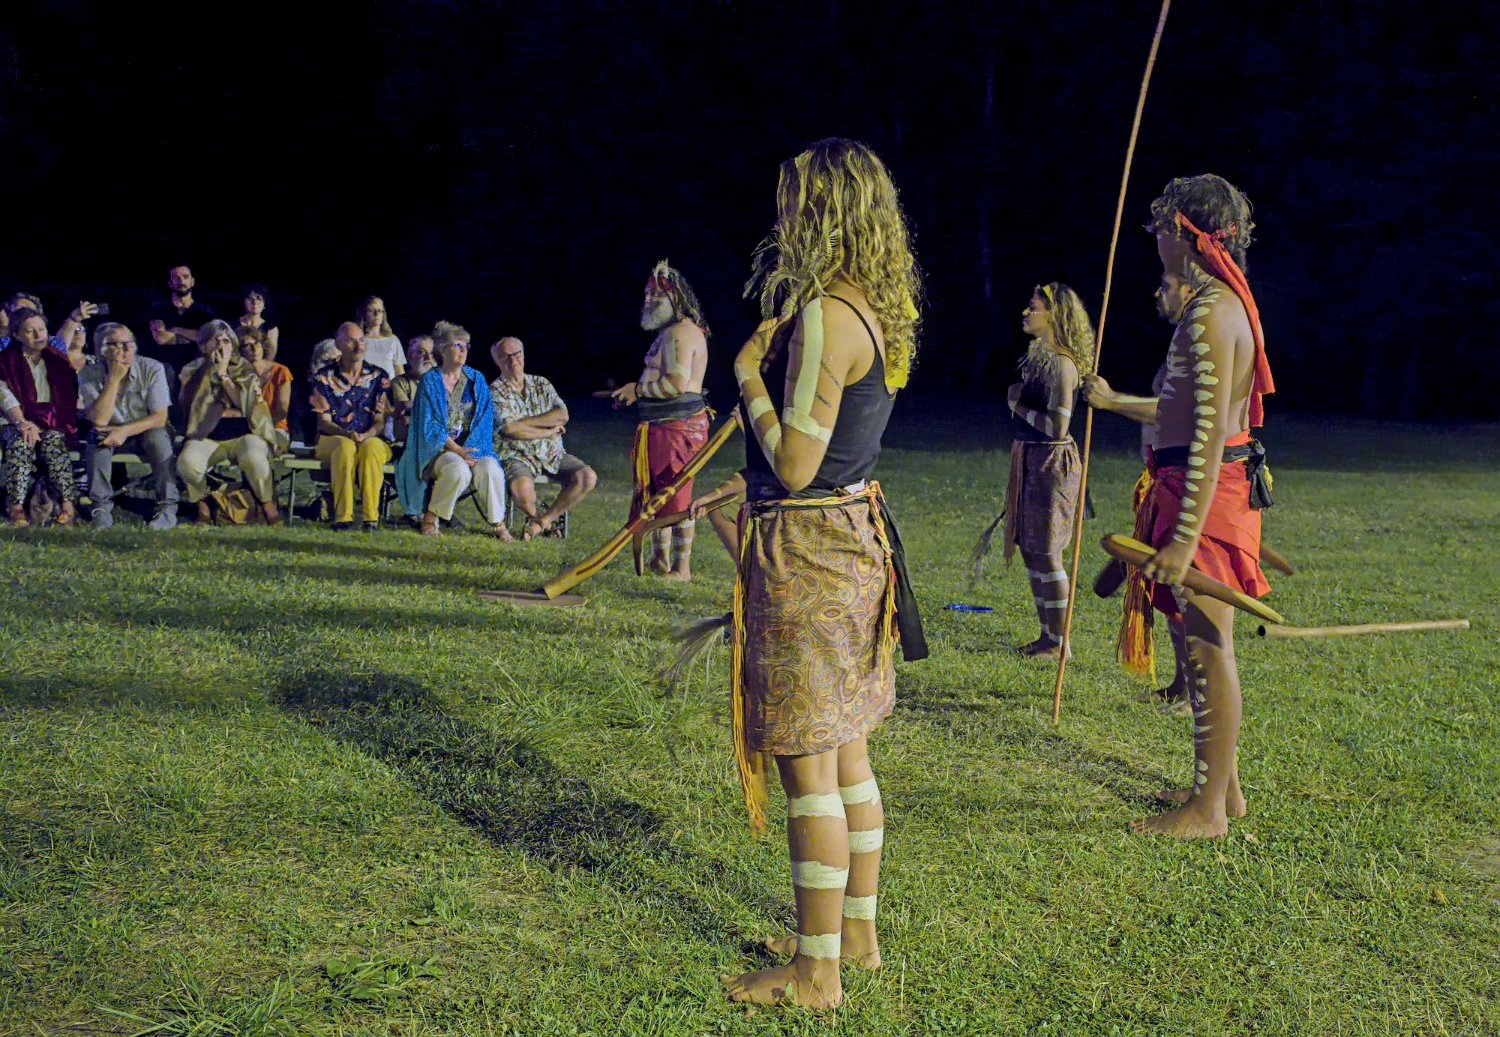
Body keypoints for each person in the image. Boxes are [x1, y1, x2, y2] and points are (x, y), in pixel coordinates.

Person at [721, 138, 927, 1010]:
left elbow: (800, 462)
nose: (780, 217)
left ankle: (816, 973)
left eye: (792, 201)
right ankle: (856, 934)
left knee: (809, 760)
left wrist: (745, 379)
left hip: (809, 549)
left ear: (825, 212)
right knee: (847, 750)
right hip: (852, 541)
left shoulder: (822, 317)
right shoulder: (873, 310)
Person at [1118, 174, 1276, 839]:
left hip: (1207, 495)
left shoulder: (1212, 311)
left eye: (1160, 225)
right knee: (1199, 637)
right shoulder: (1214, 304)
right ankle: (1223, 788)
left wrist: (1184, 537)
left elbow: (1210, 432)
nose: (1154, 237)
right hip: (1194, 486)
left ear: (1183, 233)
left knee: (1209, 643)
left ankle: (1208, 809)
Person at [1084, 267, 1208, 710]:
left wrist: (1113, 401)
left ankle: (1195, 689)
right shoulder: (1183, 343)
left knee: (1181, 591)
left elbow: (1177, 413)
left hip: (1184, 478)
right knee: (1168, 591)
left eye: (1167, 285)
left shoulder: (1201, 344)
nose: (1158, 293)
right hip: (1162, 477)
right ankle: (1182, 683)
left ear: (1190, 290)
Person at [1000, 283, 1095, 659]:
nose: (1025, 313)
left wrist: (1016, 406)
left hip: (1052, 465)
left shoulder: (1060, 363)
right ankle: (1047, 635)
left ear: (1054, 316)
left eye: (1033, 307)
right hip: (1033, 459)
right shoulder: (1038, 357)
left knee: (1048, 553)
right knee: (1032, 551)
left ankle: (1059, 643)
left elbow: (1059, 427)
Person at [609, 260, 710, 580]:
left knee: (674, 496)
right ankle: (660, 560)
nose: (649, 301)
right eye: (647, 295)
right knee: (657, 494)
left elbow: (676, 385)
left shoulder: (680, 334)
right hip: (663, 426)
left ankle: (682, 568)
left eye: (657, 295)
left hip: (677, 427)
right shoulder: (674, 332)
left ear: (677, 299)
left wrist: (637, 390)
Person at [394, 321, 509, 538]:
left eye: (466, 346)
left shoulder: (477, 379)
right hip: (437, 450)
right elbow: (429, 425)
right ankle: (431, 518)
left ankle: (498, 524)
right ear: (443, 349)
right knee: (458, 470)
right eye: (458, 345)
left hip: (473, 447)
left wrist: (471, 450)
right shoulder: (430, 381)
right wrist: (457, 450)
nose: (463, 350)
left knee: (490, 467)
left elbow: (484, 420)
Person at [177, 321, 283, 526]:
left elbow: (247, 406)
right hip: (206, 436)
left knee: (255, 457)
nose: (220, 344)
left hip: (243, 435)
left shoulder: (245, 368)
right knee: (187, 462)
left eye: (225, 340)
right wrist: (211, 371)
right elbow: (189, 405)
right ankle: (202, 505)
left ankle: (268, 505)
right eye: (214, 340)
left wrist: (224, 374)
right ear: (202, 345)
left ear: (232, 345)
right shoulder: (192, 369)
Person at [490, 336, 597, 539]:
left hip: (551, 452)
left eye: (516, 354)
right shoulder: (495, 391)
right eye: (505, 357)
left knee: (587, 477)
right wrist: (547, 430)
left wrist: (524, 421)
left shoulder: (541, 383)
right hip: (516, 454)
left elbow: (562, 415)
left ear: (523, 355)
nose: (513, 361)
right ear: (497, 361)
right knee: (522, 493)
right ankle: (542, 520)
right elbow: (511, 430)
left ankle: (543, 522)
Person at [78, 322, 178, 530]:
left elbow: (159, 417)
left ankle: (167, 507)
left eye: (129, 343)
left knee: (158, 438)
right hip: (109, 429)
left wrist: (124, 430)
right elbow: (99, 420)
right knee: (97, 436)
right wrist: (113, 379)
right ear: (100, 350)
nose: (125, 349)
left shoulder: (152, 368)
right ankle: (101, 507)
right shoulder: (89, 374)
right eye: (115, 344)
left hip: (146, 428)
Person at [0, 308, 80, 525]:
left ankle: (68, 505)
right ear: (16, 335)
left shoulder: (58, 360)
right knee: (20, 442)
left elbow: (67, 398)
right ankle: (15, 506)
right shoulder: (6, 361)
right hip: (15, 421)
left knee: (54, 441)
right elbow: (4, 395)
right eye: (30, 331)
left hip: (53, 422)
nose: (39, 336)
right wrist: (23, 423)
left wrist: (44, 426)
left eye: (42, 329)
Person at [308, 323, 392, 531]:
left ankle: (370, 518)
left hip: (370, 437)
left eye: (361, 340)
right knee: (344, 446)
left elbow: (381, 420)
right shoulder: (323, 378)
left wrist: (367, 434)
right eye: (351, 341)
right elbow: (324, 423)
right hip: (333, 438)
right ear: (338, 344)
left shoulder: (379, 377)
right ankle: (343, 517)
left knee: (371, 447)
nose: (358, 346)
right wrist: (347, 434)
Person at [147, 266, 216, 378]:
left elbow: (205, 337)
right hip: (165, 367)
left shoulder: (204, 312)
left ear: (192, 281)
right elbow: (161, 338)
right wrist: (192, 336)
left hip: (196, 366)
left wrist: (175, 330)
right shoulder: (158, 308)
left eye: (185, 277)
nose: (181, 281)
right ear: (170, 283)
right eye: (176, 277)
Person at [239, 326, 292, 434]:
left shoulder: (280, 371)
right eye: (247, 346)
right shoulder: (237, 373)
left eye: (257, 343)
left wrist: (262, 429)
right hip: (245, 429)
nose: (254, 349)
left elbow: (282, 410)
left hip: (275, 428)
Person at [388, 334, 435, 444]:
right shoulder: (399, 382)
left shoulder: (443, 383)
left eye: (432, 353)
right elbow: (404, 408)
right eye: (422, 352)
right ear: (410, 355)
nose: (428, 358)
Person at [357, 296, 405, 379]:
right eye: (372, 310)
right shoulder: (358, 340)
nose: (376, 314)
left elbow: (399, 370)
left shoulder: (393, 340)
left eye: (379, 310)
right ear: (364, 314)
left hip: (389, 389)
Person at [234, 284, 280, 361]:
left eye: (259, 299)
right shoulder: (232, 325)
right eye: (250, 298)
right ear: (244, 302)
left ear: (264, 304)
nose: (254, 302)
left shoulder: (271, 328)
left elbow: (270, 357)